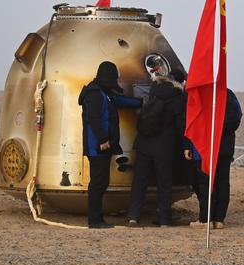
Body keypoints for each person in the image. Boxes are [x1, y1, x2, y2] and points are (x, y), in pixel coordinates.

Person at [78, 61, 143, 229]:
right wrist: (102, 140)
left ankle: (97, 218)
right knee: (98, 183)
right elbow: (93, 119)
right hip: (98, 147)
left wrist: (141, 102)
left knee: (101, 181)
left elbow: (119, 100)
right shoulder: (94, 95)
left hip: (100, 147)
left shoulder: (103, 93)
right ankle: (94, 220)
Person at [127, 73, 187, 226]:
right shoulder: (178, 97)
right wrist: (186, 145)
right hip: (164, 145)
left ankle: (133, 216)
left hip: (144, 142)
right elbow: (181, 125)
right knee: (164, 182)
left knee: (140, 180)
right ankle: (164, 219)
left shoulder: (153, 90)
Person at [190, 89, 242, 229]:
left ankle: (205, 219)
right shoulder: (229, 95)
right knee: (222, 181)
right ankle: (219, 219)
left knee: (205, 182)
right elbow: (237, 117)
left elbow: (194, 118)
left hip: (205, 145)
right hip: (225, 146)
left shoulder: (203, 94)